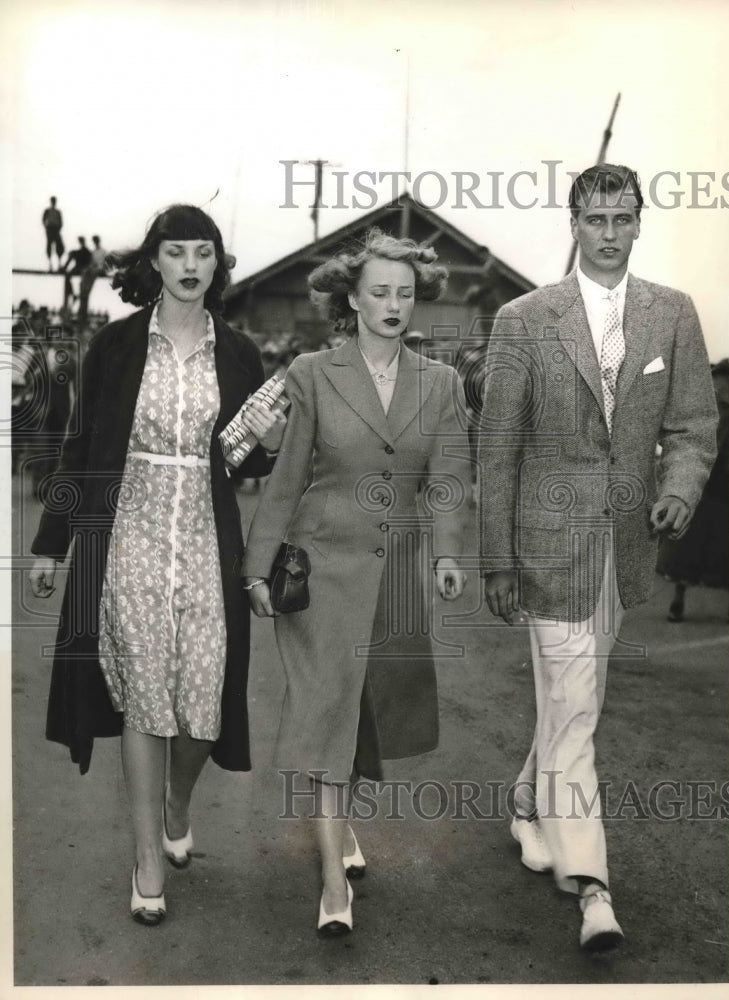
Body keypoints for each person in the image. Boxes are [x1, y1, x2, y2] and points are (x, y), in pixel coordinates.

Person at [479, 164, 717, 952]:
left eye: (622, 219)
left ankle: (526, 803)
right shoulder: (523, 319)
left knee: (572, 699)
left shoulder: (672, 313)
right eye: (595, 219)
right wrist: (497, 559)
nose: (609, 233)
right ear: (573, 224)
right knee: (576, 707)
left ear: (639, 223)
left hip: (624, 547)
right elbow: (498, 447)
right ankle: (593, 888)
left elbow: (692, 425)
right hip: (546, 548)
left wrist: (678, 489)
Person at [28, 204, 286, 926]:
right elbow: (82, 447)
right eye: (177, 252)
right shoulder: (114, 346)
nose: (190, 265)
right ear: (154, 262)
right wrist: (51, 543)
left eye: (203, 252)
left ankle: (178, 798)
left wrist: (266, 444)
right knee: (144, 693)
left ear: (217, 264)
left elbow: (240, 461)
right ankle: (146, 857)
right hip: (128, 537)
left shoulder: (239, 352)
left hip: (206, 537)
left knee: (202, 704)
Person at [243, 228, 470, 937]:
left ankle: (339, 827)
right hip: (320, 572)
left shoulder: (441, 384)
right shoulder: (312, 372)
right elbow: (286, 477)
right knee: (326, 712)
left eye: (404, 294)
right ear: (352, 299)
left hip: (394, 573)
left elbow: (448, 479)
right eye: (379, 292)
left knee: (362, 710)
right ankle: (332, 885)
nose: (393, 305)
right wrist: (256, 565)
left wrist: (447, 555)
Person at [658, 359, 729, 621]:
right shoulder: (711, 409)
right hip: (708, 482)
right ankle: (678, 600)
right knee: (690, 542)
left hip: (728, 483)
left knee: (727, 544)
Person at [77, 234, 109, 321]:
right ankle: (82, 288)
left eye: (96, 241)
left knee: (92, 274)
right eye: (94, 241)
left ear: (98, 241)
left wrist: (99, 268)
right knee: (86, 272)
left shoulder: (103, 251)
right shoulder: (94, 252)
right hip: (94, 269)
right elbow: (91, 263)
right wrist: (89, 268)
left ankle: (86, 290)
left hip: (100, 270)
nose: (95, 243)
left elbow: (105, 264)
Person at [61, 236, 92, 311]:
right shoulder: (82, 250)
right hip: (78, 267)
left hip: (83, 268)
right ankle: (72, 293)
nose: (80, 242)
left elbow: (88, 259)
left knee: (81, 285)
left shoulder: (87, 251)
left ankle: (74, 296)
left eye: (81, 241)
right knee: (68, 276)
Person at [43, 196, 64, 270]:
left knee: (59, 246)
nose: (53, 202)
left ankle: (59, 263)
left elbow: (61, 221)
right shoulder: (47, 210)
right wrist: (46, 227)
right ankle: (50, 264)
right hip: (50, 229)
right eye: (53, 201)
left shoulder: (58, 212)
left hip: (56, 229)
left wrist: (59, 228)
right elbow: (43, 219)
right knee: (49, 246)